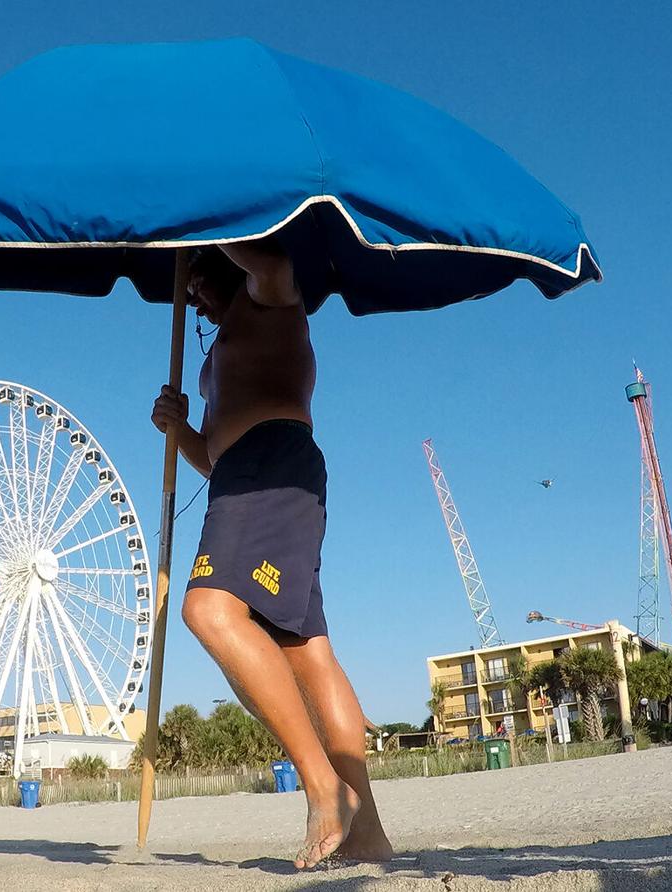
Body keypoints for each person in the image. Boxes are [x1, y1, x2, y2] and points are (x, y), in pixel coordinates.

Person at [150, 242, 394, 868]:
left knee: (208, 611)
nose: (195, 290)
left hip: (271, 465)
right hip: (244, 474)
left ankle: (322, 787)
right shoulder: (220, 350)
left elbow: (277, 265)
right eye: (191, 283)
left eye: (204, 274)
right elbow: (212, 456)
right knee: (306, 652)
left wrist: (211, 215)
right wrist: (180, 431)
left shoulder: (271, 300)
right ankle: (369, 834)